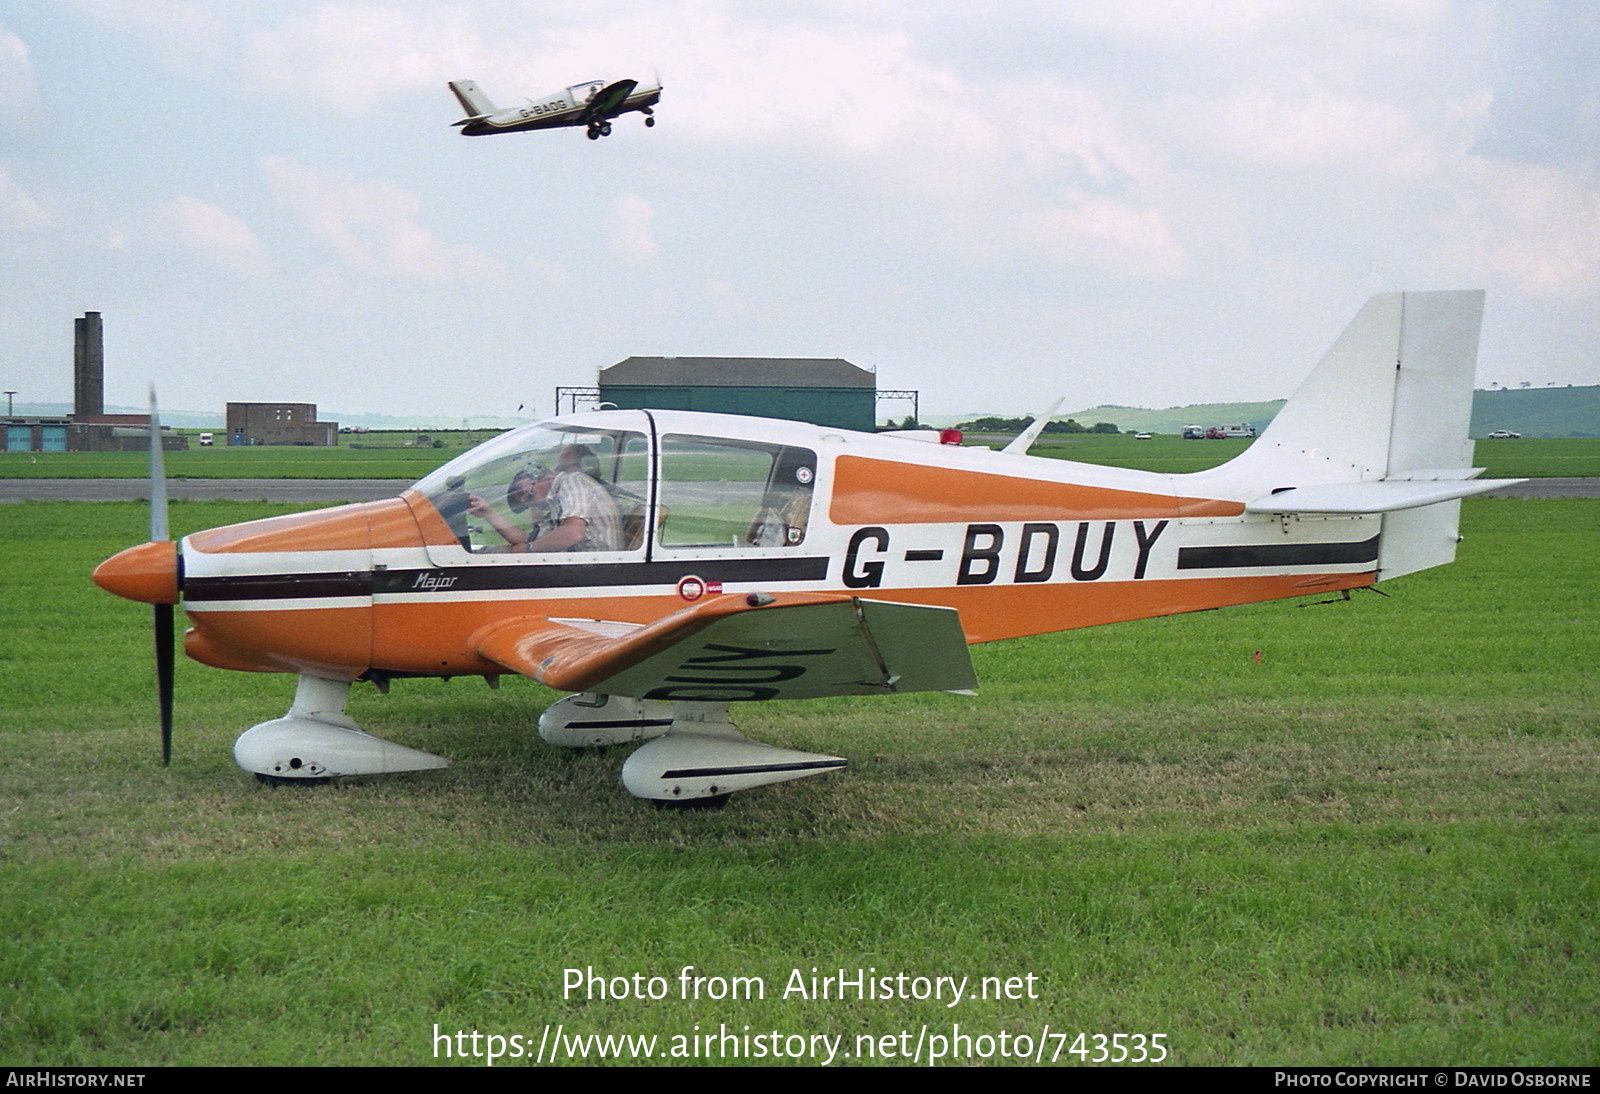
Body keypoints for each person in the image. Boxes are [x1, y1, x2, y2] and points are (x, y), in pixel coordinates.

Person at [524, 445, 622, 552]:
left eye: (562, 469)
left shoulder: (574, 481)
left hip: (595, 563)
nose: (557, 474)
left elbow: (573, 533)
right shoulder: (566, 495)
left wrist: (529, 549)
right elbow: (539, 538)